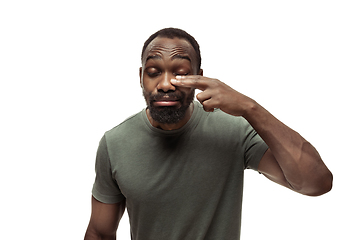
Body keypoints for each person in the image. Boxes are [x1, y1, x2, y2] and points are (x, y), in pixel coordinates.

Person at [84, 28, 333, 240]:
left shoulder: (234, 131)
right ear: (140, 77)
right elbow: (100, 233)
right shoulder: (114, 143)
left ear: (198, 77)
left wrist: (249, 108)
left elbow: (316, 182)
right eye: (153, 72)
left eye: (180, 72)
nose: (166, 83)